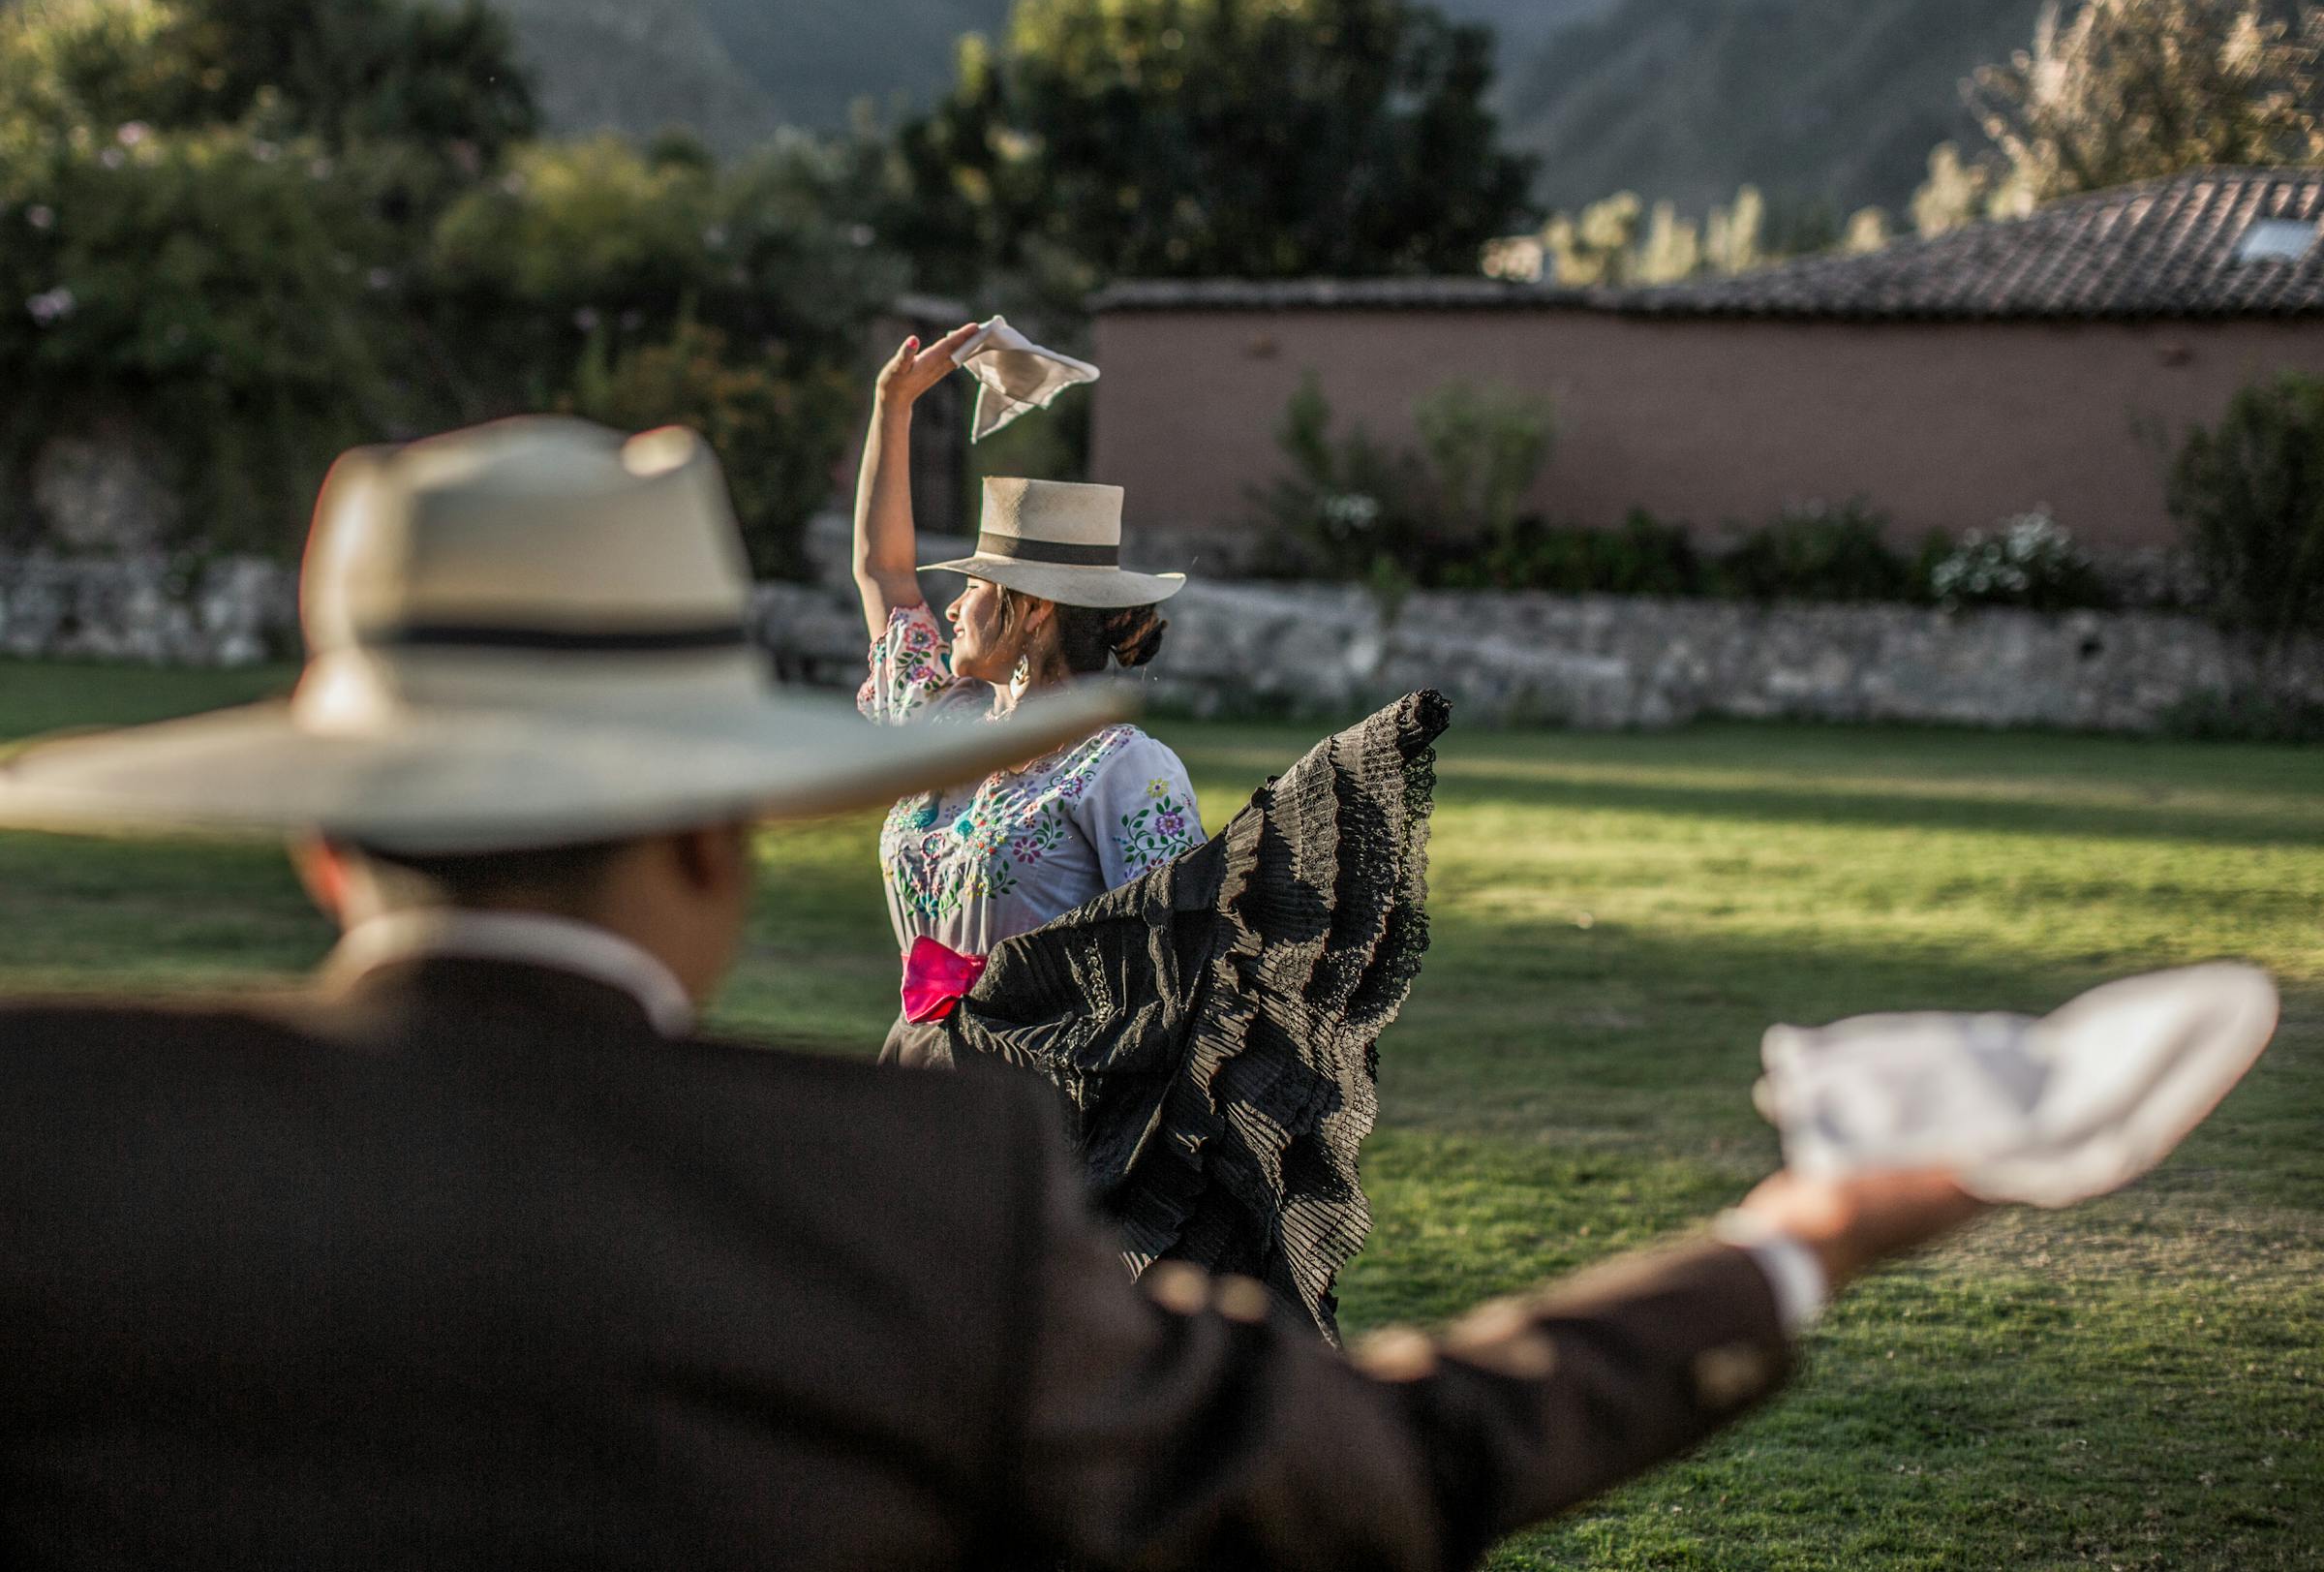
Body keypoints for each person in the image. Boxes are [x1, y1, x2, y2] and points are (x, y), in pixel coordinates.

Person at [0, 414, 1989, 1572]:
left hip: (1041, 1077)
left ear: (324, 842)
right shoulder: (898, 1221)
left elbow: (1163, 969)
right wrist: (1811, 1232)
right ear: (718, 842)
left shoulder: (54, 1145)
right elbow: (1361, 1470)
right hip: (945, 1099)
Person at [852, 324, 1444, 1338]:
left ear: (1034, 612)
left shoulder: (1128, 772)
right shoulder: (939, 725)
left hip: (1050, 1118)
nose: (953, 606)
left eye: (978, 586)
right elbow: (883, 575)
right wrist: (891, 407)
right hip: (914, 1083)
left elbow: (1178, 974)